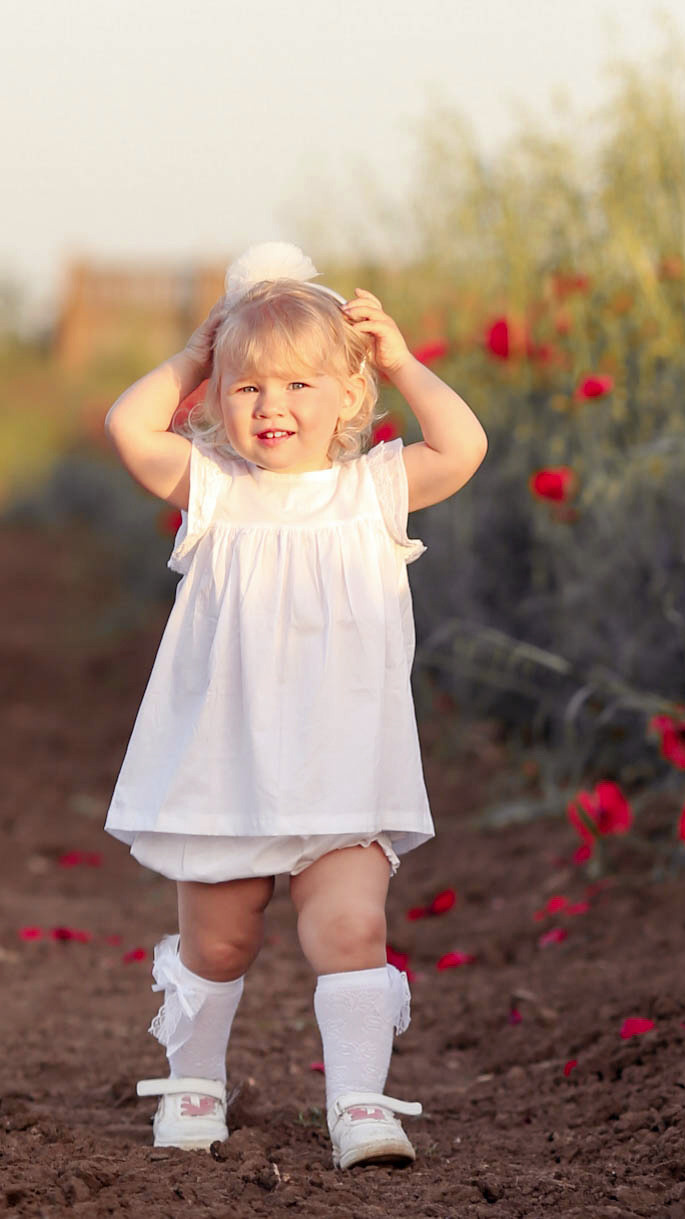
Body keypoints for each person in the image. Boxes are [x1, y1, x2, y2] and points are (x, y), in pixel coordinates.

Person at [103, 241, 487, 1170]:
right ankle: (194, 1081)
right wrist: (195, 356)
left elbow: (463, 446)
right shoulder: (218, 492)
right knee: (221, 938)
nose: (273, 406)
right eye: (247, 389)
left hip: (344, 764)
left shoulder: (373, 492)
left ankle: (358, 1101)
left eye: (300, 386)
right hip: (229, 766)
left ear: (350, 398)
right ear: (214, 402)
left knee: (352, 928)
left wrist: (400, 360)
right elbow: (128, 425)